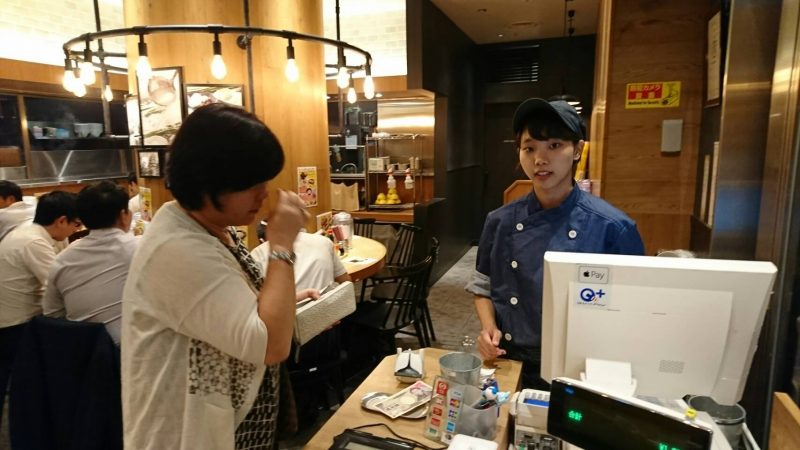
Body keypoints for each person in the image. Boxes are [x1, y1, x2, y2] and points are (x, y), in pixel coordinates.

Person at [121, 103, 311, 449]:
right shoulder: (177, 248)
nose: (263, 193)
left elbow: (230, 308)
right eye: (250, 184)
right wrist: (281, 244)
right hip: (182, 437)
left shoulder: (216, 229)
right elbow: (271, 344)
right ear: (208, 181)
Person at [465, 98, 645, 389]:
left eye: (554, 145)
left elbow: (634, 311)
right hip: (510, 360)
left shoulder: (612, 228)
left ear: (578, 150)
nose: (540, 159)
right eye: (529, 148)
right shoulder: (500, 220)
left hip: (580, 366)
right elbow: (483, 287)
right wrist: (488, 329)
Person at [0, 190, 80, 423]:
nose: (75, 230)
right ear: (61, 221)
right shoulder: (33, 242)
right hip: (15, 323)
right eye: (75, 224)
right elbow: (57, 285)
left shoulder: (33, 232)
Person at [42, 181, 138, 345]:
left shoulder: (61, 260)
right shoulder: (140, 249)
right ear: (124, 215)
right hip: (128, 350)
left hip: (83, 352)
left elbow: (53, 314)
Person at [251, 229, 351, 291]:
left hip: (289, 316)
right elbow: (346, 282)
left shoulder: (257, 254)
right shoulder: (323, 241)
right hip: (330, 312)